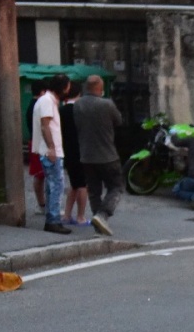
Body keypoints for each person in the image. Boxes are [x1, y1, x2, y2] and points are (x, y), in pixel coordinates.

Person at [74, 74, 125, 236]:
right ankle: (103, 215)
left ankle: (98, 222)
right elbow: (119, 121)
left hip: (86, 155)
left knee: (94, 191)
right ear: (100, 89)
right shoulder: (107, 104)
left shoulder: (78, 105)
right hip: (107, 154)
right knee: (116, 186)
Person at [32, 74, 70, 234]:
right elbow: (45, 126)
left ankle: (52, 218)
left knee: (52, 185)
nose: (69, 89)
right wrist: (52, 148)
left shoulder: (46, 100)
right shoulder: (47, 101)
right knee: (56, 185)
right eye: (67, 86)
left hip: (48, 150)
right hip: (51, 152)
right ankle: (53, 220)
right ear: (62, 88)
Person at [59, 79, 90, 226]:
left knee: (74, 183)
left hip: (67, 149)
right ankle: (81, 216)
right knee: (82, 185)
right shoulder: (82, 110)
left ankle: (66, 214)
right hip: (82, 150)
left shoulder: (62, 111)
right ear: (79, 93)